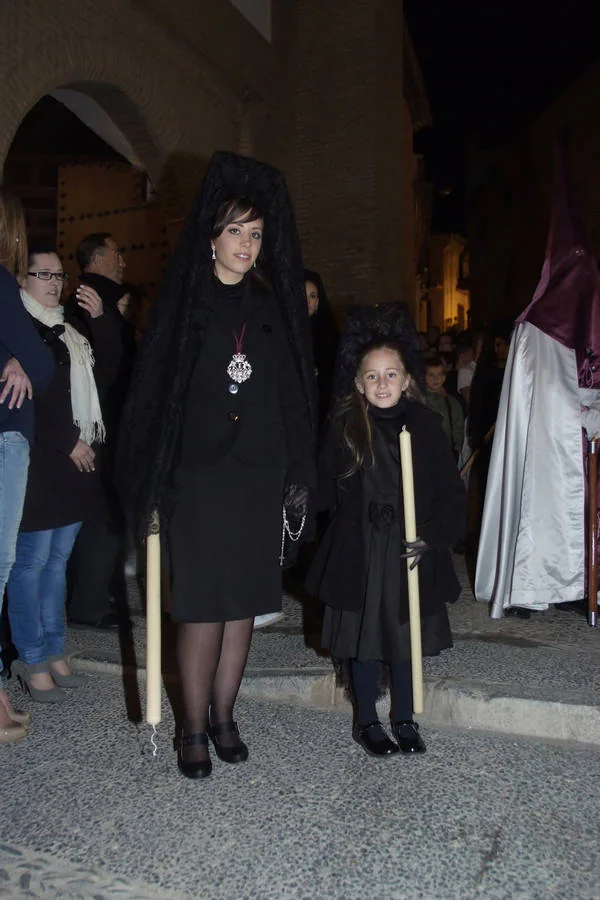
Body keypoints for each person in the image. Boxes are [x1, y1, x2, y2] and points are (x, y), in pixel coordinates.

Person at [117, 151, 316, 779]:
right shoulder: (184, 304)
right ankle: (193, 726)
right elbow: (155, 394)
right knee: (202, 605)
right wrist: (154, 478)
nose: (247, 245)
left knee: (244, 606)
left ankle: (226, 715)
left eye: (257, 235)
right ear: (212, 235)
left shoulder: (271, 306)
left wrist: (298, 476)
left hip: (258, 476)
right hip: (197, 479)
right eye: (236, 231)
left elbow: (291, 396)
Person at [306, 326, 465, 758]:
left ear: (407, 379)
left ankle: (405, 717)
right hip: (360, 547)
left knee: (402, 635)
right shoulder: (345, 427)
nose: (382, 384)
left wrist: (431, 537)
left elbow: (451, 495)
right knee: (364, 639)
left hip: (408, 545)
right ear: (358, 383)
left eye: (391, 374)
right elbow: (322, 485)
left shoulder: (426, 426)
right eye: (372, 376)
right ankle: (367, 721)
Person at [6, 245, 119, 702]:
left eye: (59, 275)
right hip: (41, 461)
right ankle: (30, 658)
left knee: (57, 564)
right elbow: (26, 398)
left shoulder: (71, 331)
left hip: (77, 463)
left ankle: (54, 651)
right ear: (22, 282)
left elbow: (109, 375)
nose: (55, 283)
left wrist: (105, 321)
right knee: (30, 565)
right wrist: (67, 441)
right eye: (44, 274)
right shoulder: (17, 331)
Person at [0, 190, 54, 740]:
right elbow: (40, 360)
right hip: (3, 432)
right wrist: (22, 356)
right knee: (0, 563)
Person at [67, 233, 133, 630]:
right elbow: (110, 370)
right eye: (117, 252)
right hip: (99, 431)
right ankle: (90, 603)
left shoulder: (96, 300)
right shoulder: (95, 300)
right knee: (101, 519)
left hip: (101, 428)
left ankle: (94, 598)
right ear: (97, 258)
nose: (122, 260)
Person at [425, 356, 464, 460]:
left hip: (447, 451)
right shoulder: (419, 401)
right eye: (431, 375)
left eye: (440, 375)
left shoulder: (452, 403)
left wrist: (457, 442)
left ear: (444, 377)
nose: (436, 379)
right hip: (424, 451)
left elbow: (458, 424)